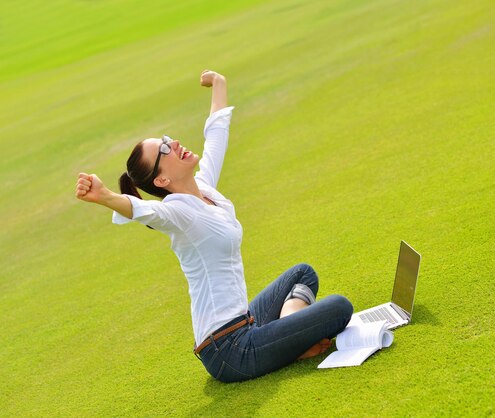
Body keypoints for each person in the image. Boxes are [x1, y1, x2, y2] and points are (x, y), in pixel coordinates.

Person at [74, 70, 353, 383]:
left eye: (166, 140)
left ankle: (290, 338)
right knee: (339, 307)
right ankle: (291, 339)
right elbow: (145, 211)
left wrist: (219, 86)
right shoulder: (177, 212)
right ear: (161, 179)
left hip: (245, 325)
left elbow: (217, 136)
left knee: (302, 274)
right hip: (229, 351)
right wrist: (105, 197)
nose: (174, 142)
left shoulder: (203, 187)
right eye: (164, 150)